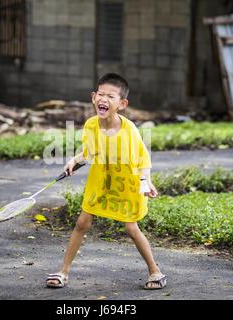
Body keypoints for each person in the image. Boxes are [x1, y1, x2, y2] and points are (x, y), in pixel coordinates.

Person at [46, 73, 166, 290]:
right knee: (82, 223)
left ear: (122, 104)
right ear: (93, 97)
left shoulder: (129, 130)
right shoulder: (91, 125)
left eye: (111, 96)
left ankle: (155, 271)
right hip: (100, 182)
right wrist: (74, 160)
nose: (104, 99)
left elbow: (142, 159)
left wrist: (146, 181)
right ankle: (63, 271)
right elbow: (89, 151)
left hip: (127, 184)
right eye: (101, 94)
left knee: (131, 228)